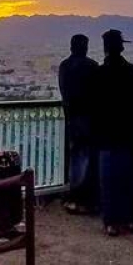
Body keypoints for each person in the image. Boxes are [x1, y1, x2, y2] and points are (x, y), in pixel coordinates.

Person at [94, 29, 133, 236]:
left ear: (105, 48)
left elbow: (94, 108)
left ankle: (111, 221)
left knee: (110, 180)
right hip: (132, 135)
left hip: (108, 136)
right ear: (122, 47)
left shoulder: (99, 73)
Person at [58, 34, 100, 214]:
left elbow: (63, 92)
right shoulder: (92, 66)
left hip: (72, 119)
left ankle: (74, 197)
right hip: (90, 120)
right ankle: (87, 199)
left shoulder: (64, 66)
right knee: (89, 160)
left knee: (75, 158)